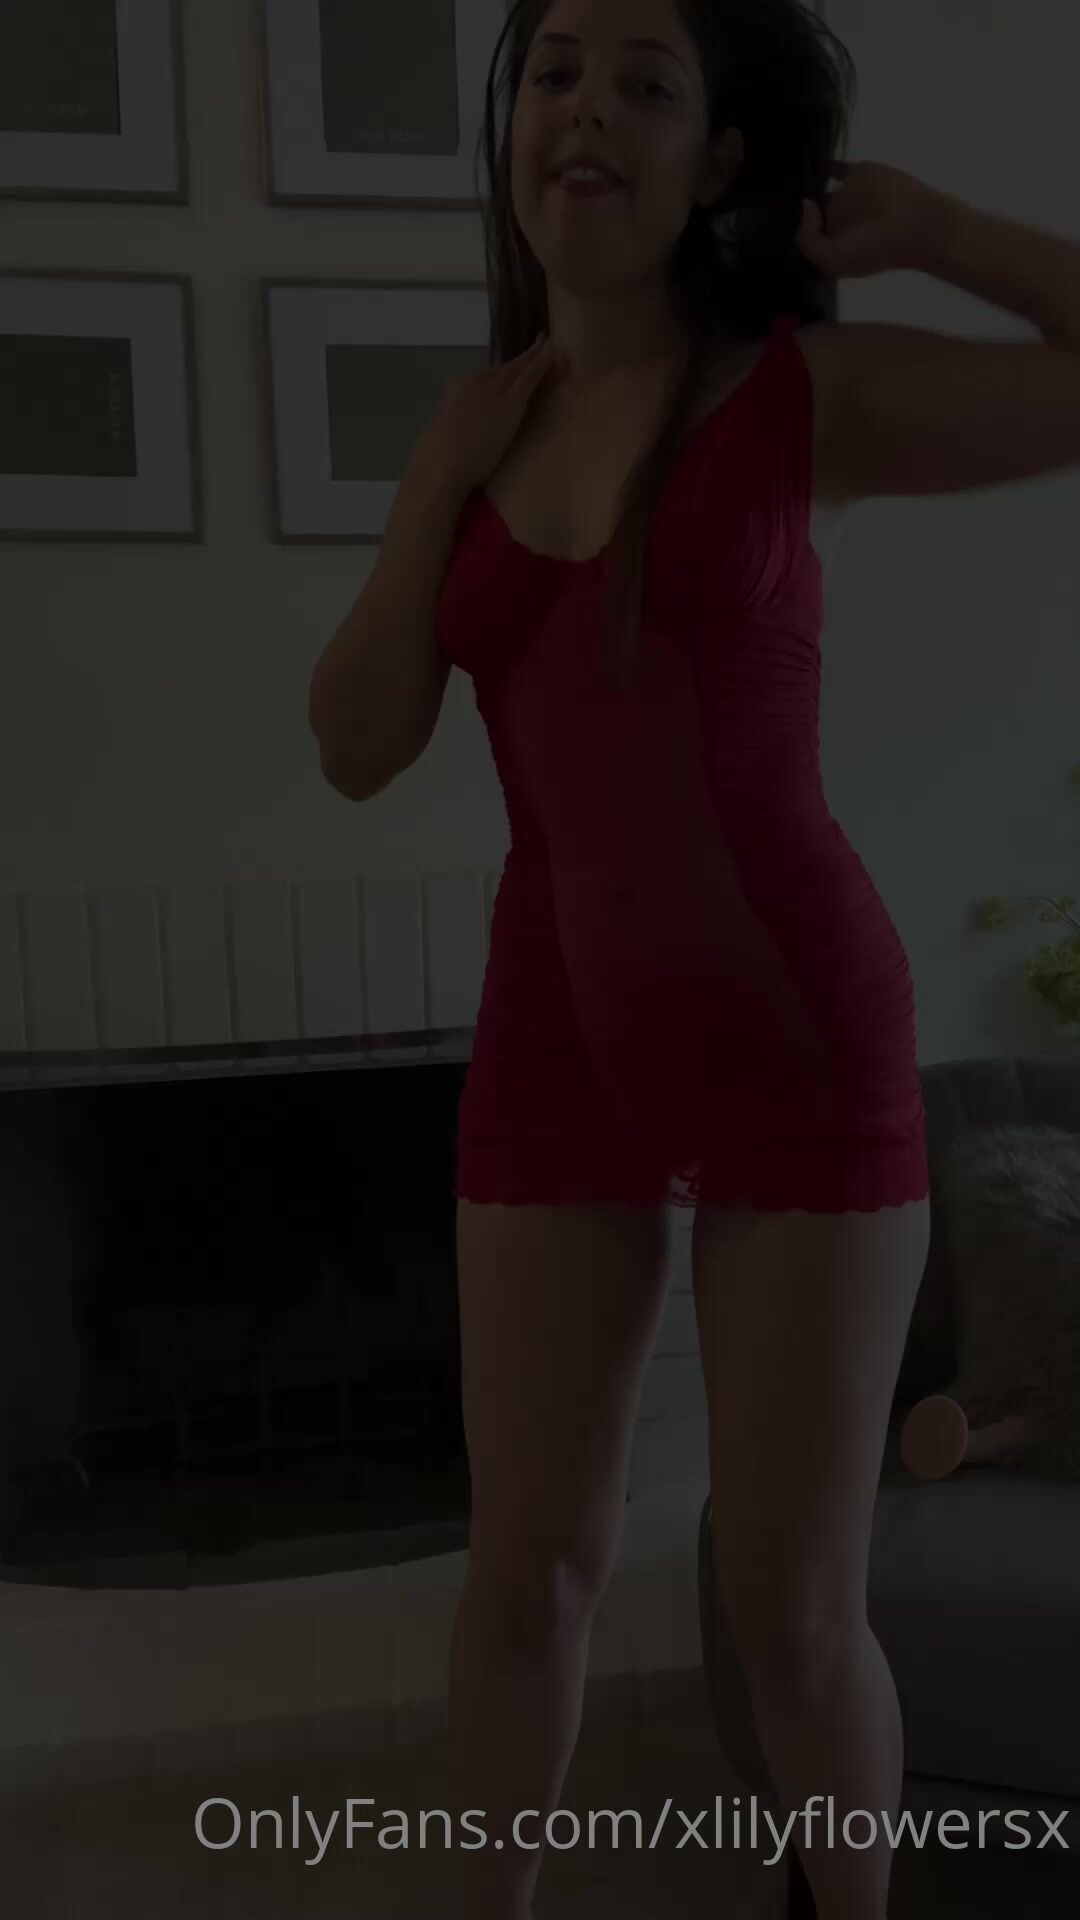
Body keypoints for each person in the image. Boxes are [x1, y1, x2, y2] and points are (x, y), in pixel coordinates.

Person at [309, 3, 1080, 1915]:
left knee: (792, 1613)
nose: (585, 112)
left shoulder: (800, 397)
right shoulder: (481, 428)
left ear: (718, 158)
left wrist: (943, 231)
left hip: (799, 1036)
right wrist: (433, 488)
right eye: (556, 71)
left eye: (647, 85)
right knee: (527, 1576)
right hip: (556, 1037)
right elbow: (355, 742)